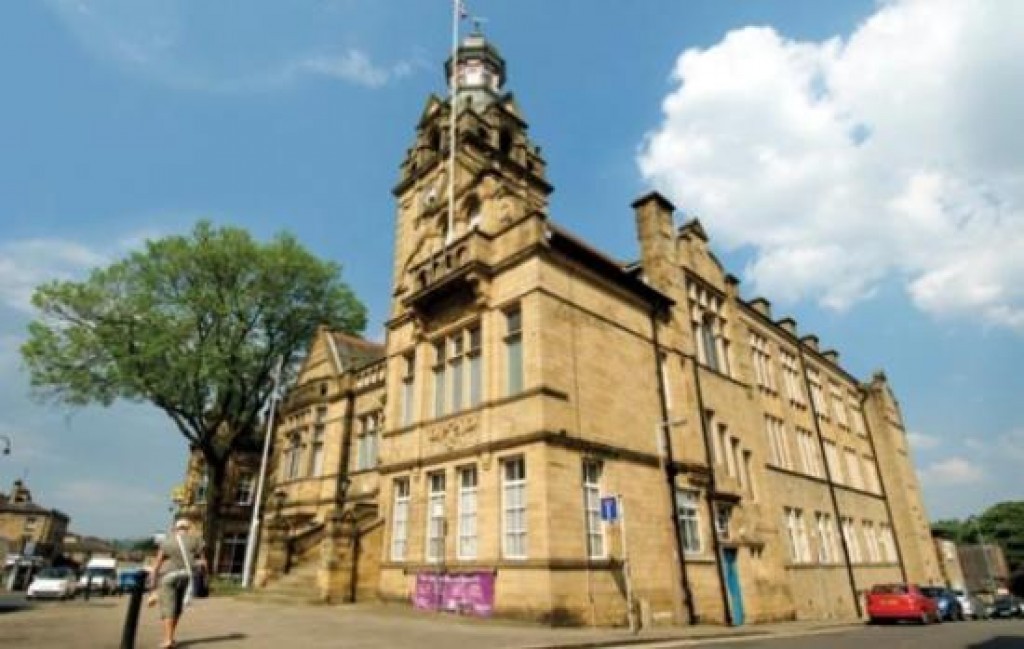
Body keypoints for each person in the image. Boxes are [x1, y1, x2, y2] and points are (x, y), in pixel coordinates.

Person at [147, 518, 206, 649]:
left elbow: (156, 565)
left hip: (168, 577)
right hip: (186, 577)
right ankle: (171, 637)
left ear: (175, 529)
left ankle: (167, 639)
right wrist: (204, 578)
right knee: (178, 607)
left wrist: (152, 586)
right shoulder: (196, 540)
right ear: (188, 528)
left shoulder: (167, 542)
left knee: (168, 609)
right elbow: (203, 563)